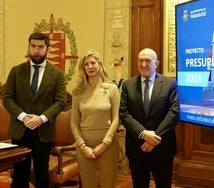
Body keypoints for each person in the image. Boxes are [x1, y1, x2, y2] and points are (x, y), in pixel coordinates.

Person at [2, 32, 67, 188]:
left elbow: (60, 101)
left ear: (47, 49)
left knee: (41, 175)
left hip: (43, 132)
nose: (36, 50)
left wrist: (41, 119)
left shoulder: (57, 74)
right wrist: (23, 116)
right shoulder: (16, 71)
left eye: (40, 47)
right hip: (20, 130)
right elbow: (7, 98)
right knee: (19, 176)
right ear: (29, 47)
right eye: (33, 46)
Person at [119, 48, 179, 188]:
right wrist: (143, 134)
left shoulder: (170, 84)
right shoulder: (128, 85)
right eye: (140, 60)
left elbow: (174, 113)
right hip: (137, 147)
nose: (143, 64)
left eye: (148, 61)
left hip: (162, 148)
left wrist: (154, 138)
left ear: (156, 63)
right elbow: (124, 113)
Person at [71, 49, 120, 188]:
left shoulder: (112, 88)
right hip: (84, 145)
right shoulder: (78, 92)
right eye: (86, 64)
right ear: (83, 68)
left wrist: (105, 143)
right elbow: (74, 123)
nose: (90, 67)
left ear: (100, 65)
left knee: (108, 184)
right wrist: (82, 145)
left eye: (93, 63)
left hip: (108, 144)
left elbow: (116, 118)